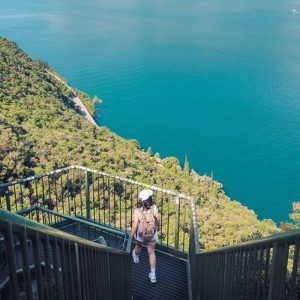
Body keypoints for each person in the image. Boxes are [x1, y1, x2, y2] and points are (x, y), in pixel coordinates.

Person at [131, 189, 160, 283]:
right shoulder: (154, 208)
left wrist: (131, 236)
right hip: (152, 233)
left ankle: (136, 257)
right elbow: (157, 220)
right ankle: (153, 275)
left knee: (138, 246)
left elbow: (135, 225)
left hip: (141, 233)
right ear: (150, 199)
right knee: (151, 252)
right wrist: (157, 229)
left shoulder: (137, 211)